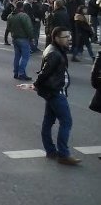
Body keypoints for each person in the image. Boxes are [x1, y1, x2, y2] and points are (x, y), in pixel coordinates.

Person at [33, 27, 81, 165]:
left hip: (52, 91)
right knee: (66, 122)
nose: (69, 39)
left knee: (48, 121)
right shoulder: (55, 53)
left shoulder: (54, 49)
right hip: (55, 92)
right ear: (56, 38)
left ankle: (50, 151)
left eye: (69, 36)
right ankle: (63, 154)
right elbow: (44, 73)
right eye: (65, 37)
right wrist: (36, 84)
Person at [7, 1, 35, 80]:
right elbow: (28, 28)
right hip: (23, 38)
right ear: (22, 7)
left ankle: (16, 72)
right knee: (25, 56)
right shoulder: (24, 16)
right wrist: (32, 37)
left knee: (17, 56)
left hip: (15, 38)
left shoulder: (10, 16)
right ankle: (21, 73)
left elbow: (8, 28)